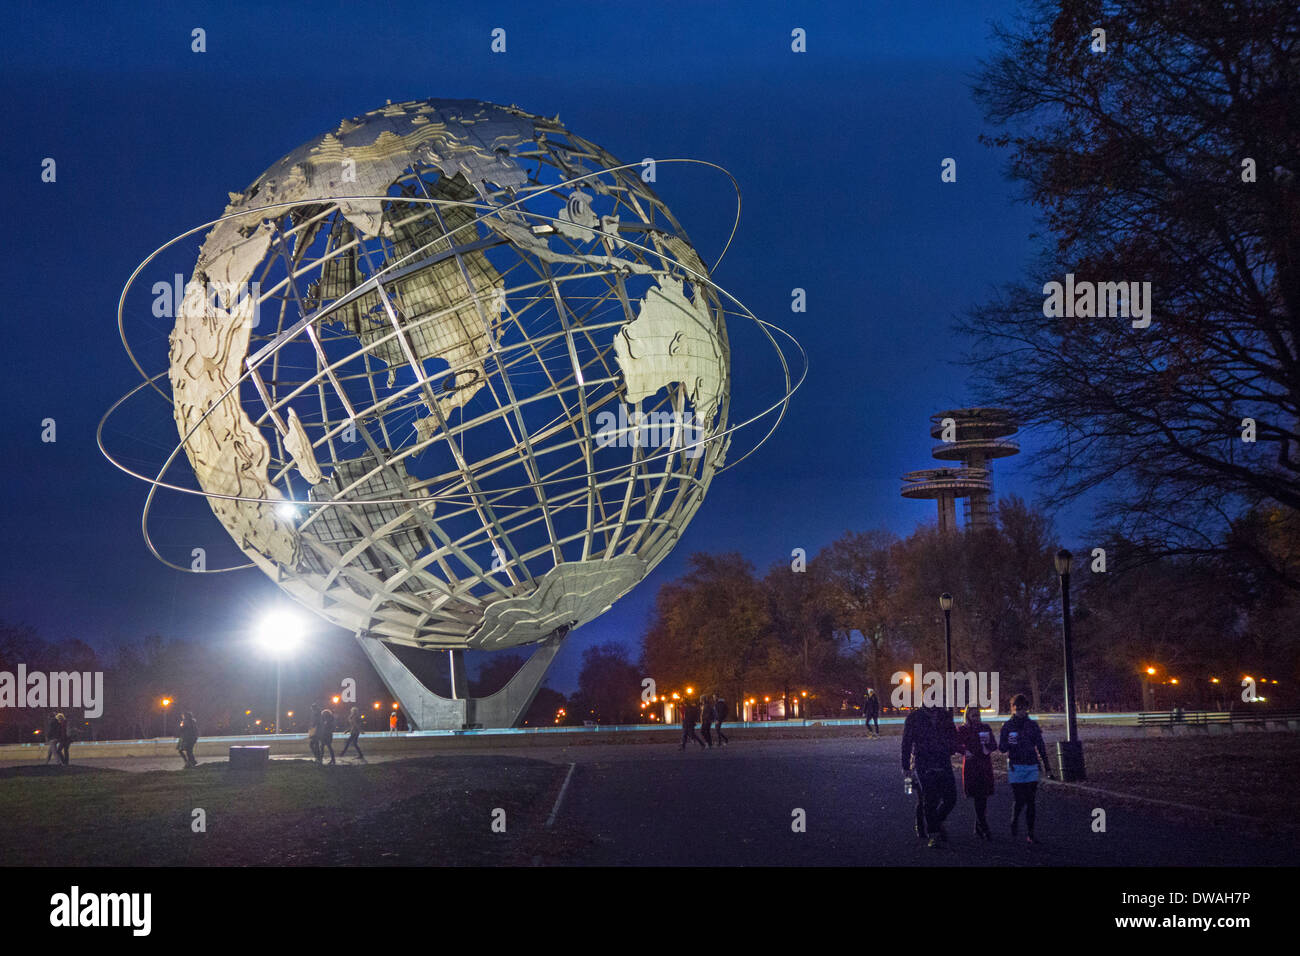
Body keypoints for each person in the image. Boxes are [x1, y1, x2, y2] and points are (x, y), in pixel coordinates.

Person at [999, 693, 1054, 843]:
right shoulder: (1007, 726)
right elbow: (1002, 748)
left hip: (1031, 765)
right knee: (1019, 799)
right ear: (1012, 709)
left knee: (1031, 800)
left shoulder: (1032, 725)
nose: (1020, 711)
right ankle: (1015, 818)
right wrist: (1009, 743)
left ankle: (1030, 833)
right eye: (1017, 708)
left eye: (1023, 708)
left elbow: (1040, 746)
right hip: (1016, 765)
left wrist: (1047, 766)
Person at [900, 703, 957, 848]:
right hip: (923, 762)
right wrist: (905, 766)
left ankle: (935, 822)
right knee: (929, 798)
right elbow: (906, 742)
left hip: (943, 760)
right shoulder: (914, 717)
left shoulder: (945, 716)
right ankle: (933, 833)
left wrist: (950, 747)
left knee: (951, 798)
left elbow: (953, 736)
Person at [954, 705, 996, 839]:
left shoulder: (985, 728)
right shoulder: (963, 730)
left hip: (984, 764)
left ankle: (979, 825)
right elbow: (955, 744)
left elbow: (994, 744)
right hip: (972, 765)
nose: (976, 718)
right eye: (973, 715)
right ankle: (983, 825)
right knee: (978, 796)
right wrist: (964, 751)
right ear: (968, 716)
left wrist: (987, 747)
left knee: (983, 796)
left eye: (977, 715)